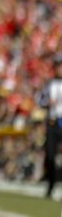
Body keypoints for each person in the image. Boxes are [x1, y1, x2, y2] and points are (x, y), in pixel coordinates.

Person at [40, 55, 62, 197]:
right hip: (53, 122)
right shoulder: (49, 84)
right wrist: (47, 102)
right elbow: (40, 100)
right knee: (50, 155)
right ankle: (51, 185)